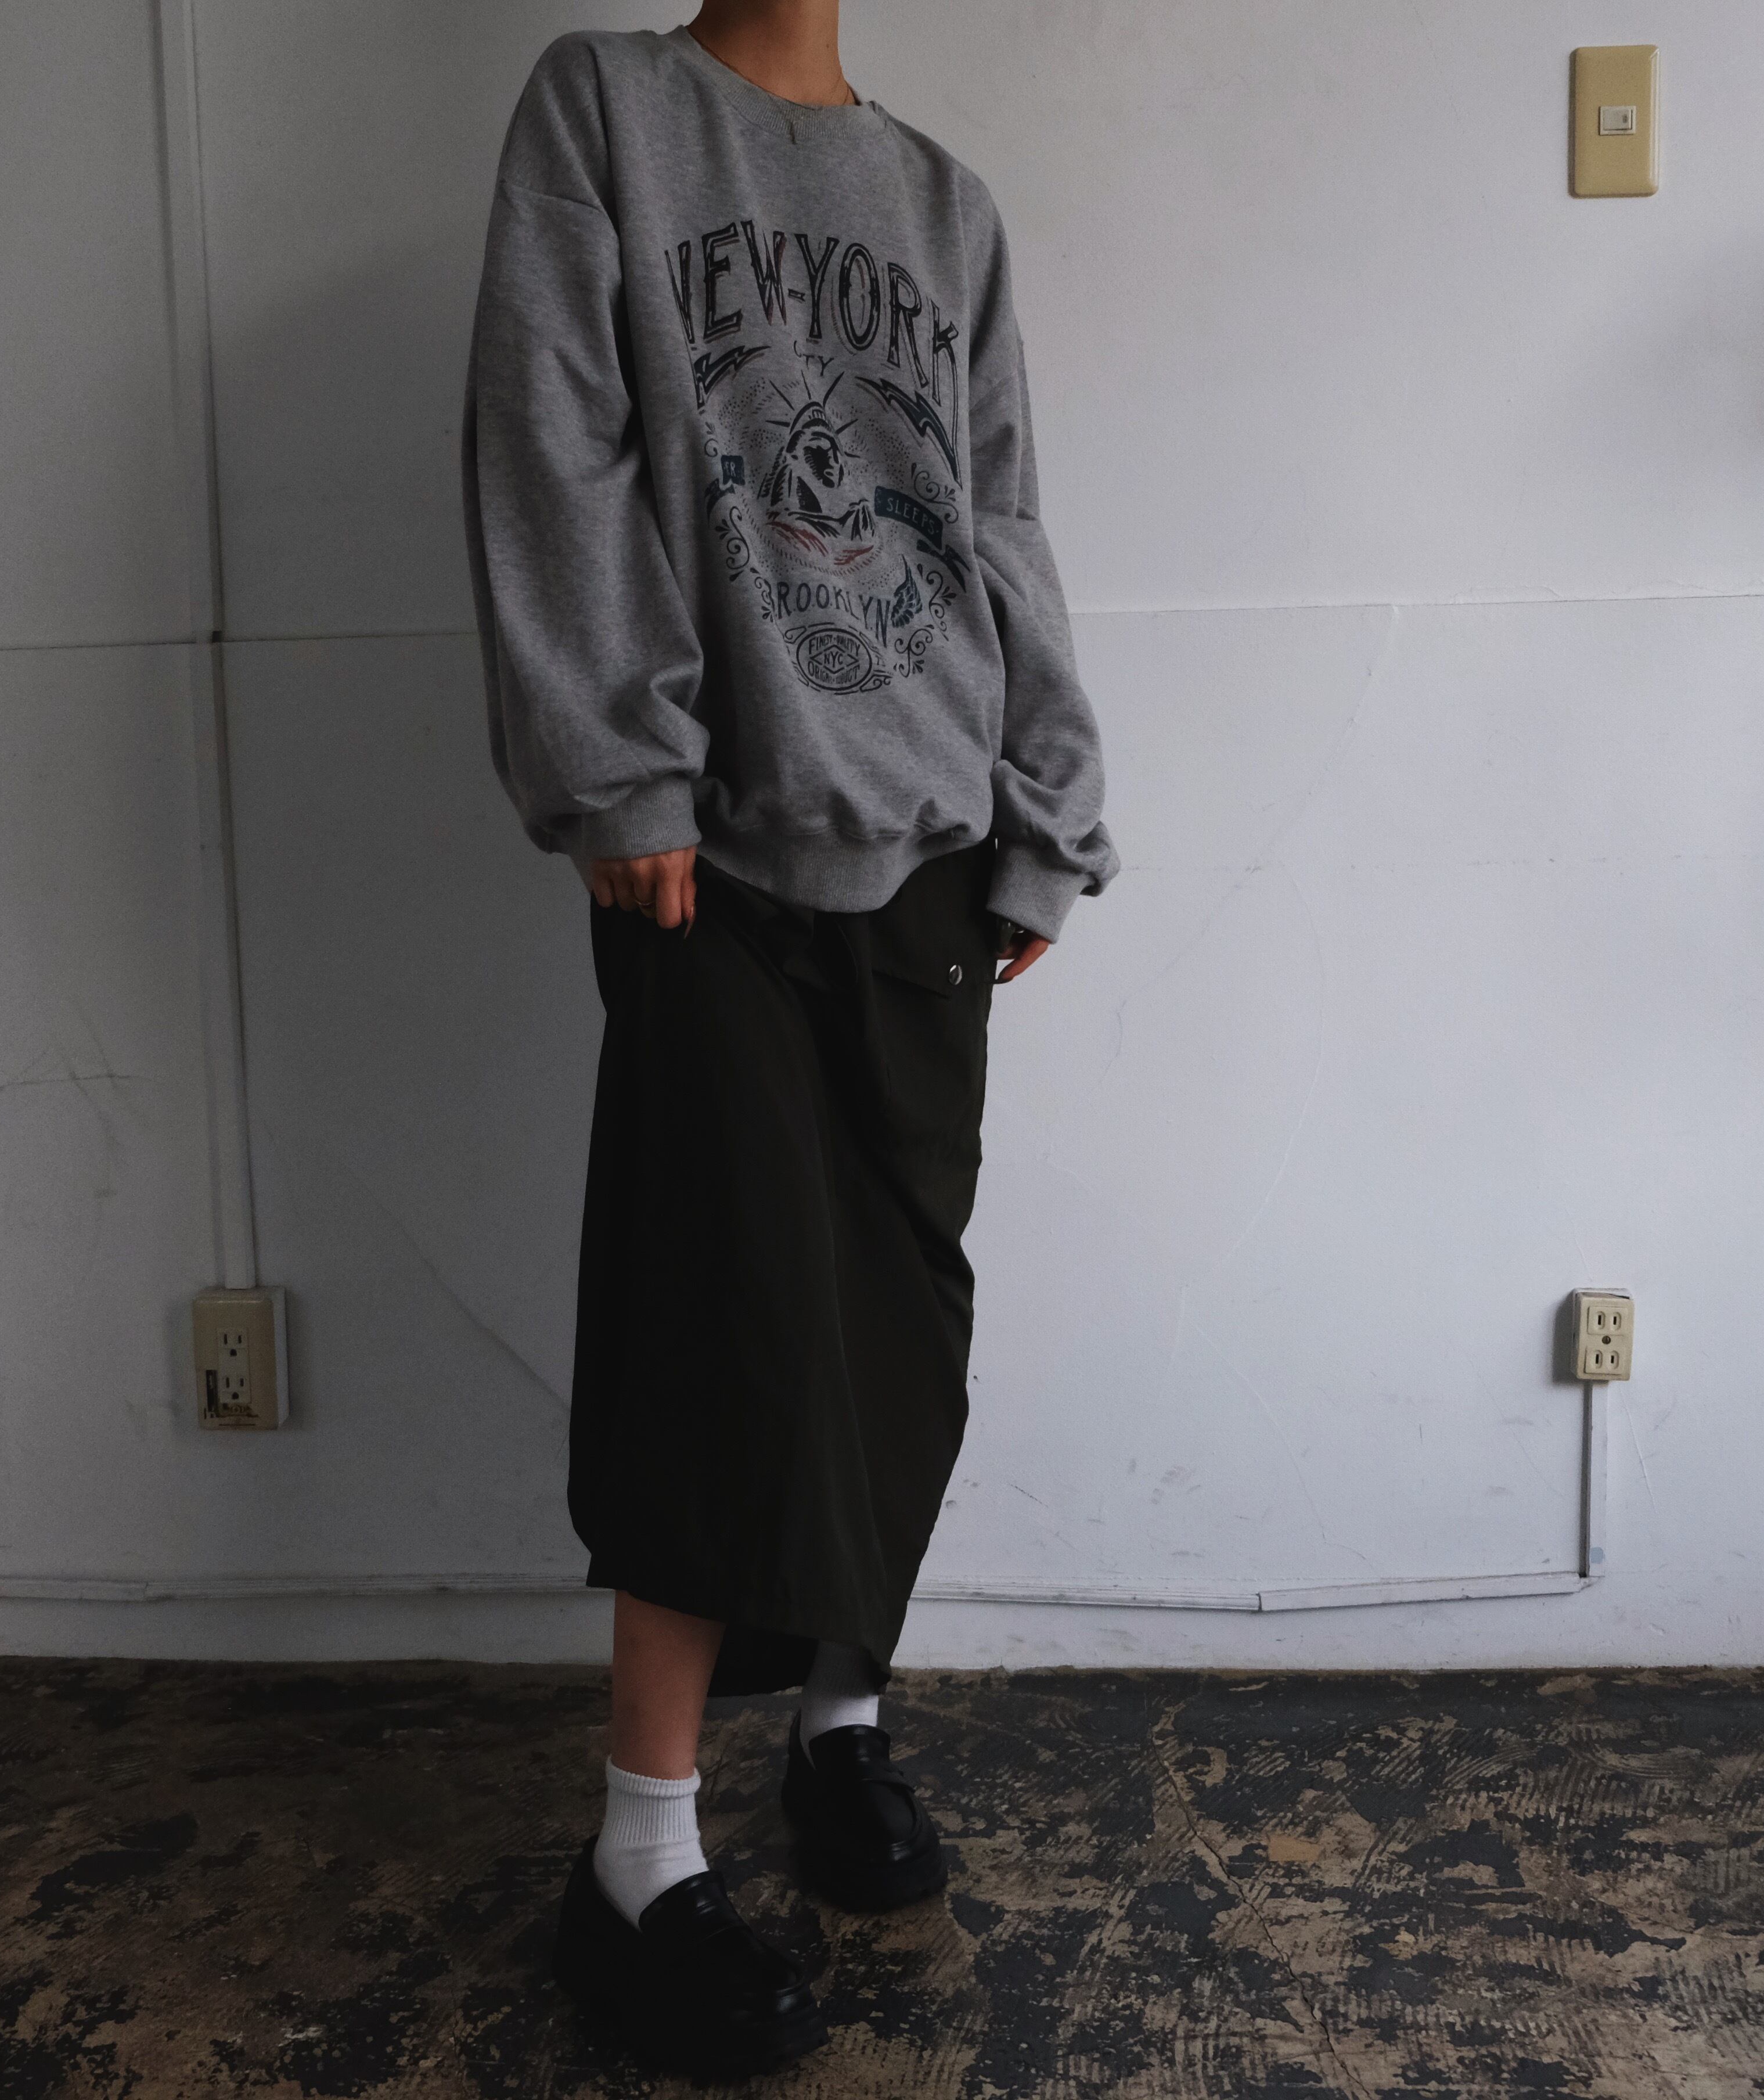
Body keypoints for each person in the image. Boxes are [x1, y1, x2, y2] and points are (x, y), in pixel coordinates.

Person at [462, 0, 1118, 2074]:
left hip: (933, 843)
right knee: (721, 1324)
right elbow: (554, 431)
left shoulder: (945, 204)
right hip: (715, 848)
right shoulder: (608, 108)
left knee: (895, 1317)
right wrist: (618, 764)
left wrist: (1049, 808)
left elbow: (999, 517)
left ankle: (844, 1724)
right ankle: (636, 1858)